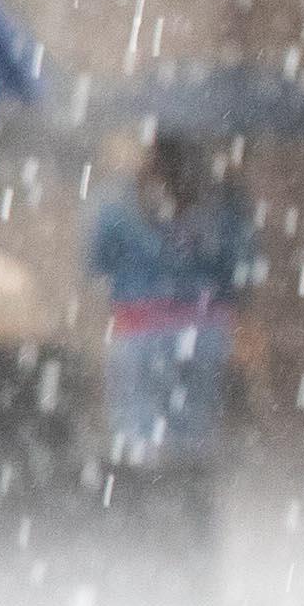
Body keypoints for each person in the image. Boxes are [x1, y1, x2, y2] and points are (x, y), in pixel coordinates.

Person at [92, 129, 256, 467]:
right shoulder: (224, 206)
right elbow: (241, 268)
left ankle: (144, 498)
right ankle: (189, 499)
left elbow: (98, 261)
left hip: (139, 328)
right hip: (204, 328)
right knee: (195, 427)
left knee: (139, 428)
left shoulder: (120, 205)